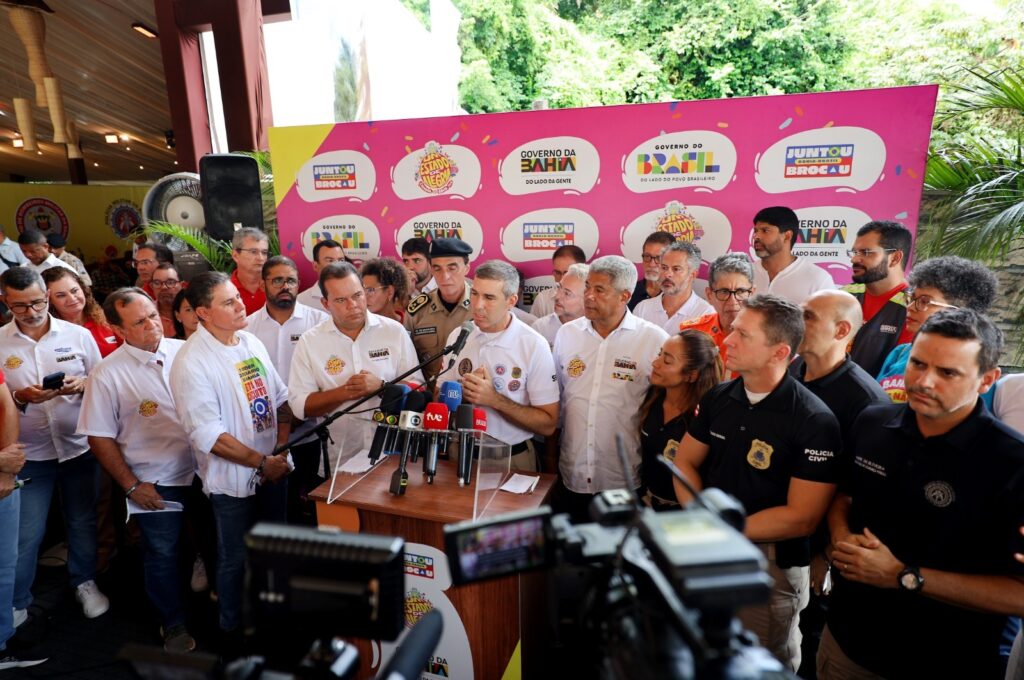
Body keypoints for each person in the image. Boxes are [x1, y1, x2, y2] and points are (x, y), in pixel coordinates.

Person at [821, 309, 1024, 679]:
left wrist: (903, 575)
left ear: (987, 380)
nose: (924, 381)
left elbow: (1018, 594)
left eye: (947, 373)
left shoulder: (1012, 462)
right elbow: (844, 495)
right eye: (918, 364)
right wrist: (840, 536)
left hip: (946, 661)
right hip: (846, 644)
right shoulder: (873, 422)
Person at [672, 294, 842, 672]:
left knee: (760, 664)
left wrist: (723, 529)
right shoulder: (719, 397)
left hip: (770, 563)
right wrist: (698, 516)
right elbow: (684, 462)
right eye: (732, 330)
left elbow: (802, 517)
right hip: (709, 546)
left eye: (743, 335)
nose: (728, 340)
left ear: (779, 352)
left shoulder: (814, 420)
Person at [169, 271, 292, 652]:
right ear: (203, 313)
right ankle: (231, 632)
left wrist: (281, 448)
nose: (241, 305)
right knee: (234, 558)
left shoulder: (250, 341)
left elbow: (280, 399)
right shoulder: (191, 362)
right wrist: (262, 462)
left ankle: (274, 621)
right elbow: (209, 435)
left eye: (237, 296)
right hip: (232, 480)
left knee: (275, 548)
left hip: (273, 468)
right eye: (228, 302)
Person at [77, 289, 196, 653]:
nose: (152, 325)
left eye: (153, 315)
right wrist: (131, 486)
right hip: (154, 479)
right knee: (162, 553)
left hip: (207, 470)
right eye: (140, 322)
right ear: (118, 329)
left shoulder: (186, 351)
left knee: (206, 546)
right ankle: (172, 623)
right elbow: (99, 437)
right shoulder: (106, 374)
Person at [0, 267, 107, 623]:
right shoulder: (1, 342)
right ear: (5, 302)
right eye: (20, 306)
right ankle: (17, 602)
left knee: (82, 520)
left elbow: (103, 382)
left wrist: (83, 384)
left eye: (37, 302)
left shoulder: (78, 335)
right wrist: (20, 396)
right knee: (26, 533)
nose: (31, 312)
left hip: (78, 447)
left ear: (46, 296)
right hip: (29, 454)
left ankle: (84, 581)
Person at [553, 255, 669, 519]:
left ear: (624, 296)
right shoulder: (567, 334)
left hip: (623, 477)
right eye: (587, 287)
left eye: (599, 290)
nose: (589, 296)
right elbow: (557, 401)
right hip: (572, 472)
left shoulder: (653, 339)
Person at [289, 262, 422, 470]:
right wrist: (346, 392)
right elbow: (300, 406)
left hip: (395, 454)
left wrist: (382, 387)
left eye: (358, 295)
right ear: (325, 303)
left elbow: (418, 388)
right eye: (341, 300)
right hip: (340, 461)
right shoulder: (310, 342)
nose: (352, 305)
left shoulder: (393, 332)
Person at [448, 261, 559, 472]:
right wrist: (462, 393)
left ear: (511, 301)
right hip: (458, 454)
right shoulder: (459, 335)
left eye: (489, 297)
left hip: (510, 458)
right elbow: (440, 398)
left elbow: (548, 424)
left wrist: (494, 399)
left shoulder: (533, 344)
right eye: (474, 294)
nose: (478, 305)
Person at [245, 256, 328, 523]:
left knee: (310, 512)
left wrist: (300, 413)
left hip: (309, 433)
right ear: (263, 284)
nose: (285, 286)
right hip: (262, 440)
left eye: (291, 280)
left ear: (299, 284)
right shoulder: (247, 329)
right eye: (277, 280)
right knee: (275, 515)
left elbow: (329, 375)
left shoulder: (320, 322)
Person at [876, 255, 998, 403]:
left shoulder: (976, 371)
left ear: (958, 312)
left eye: (924, 301)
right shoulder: (900, 353)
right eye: (911, 298)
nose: (910, 307)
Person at [639, 329, 722, 511]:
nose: (655, 363)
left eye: (667, 361)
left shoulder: (705, 418)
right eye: (660, 354)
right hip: (647, 504)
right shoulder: (653, 397)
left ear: (691, 375)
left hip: (685, 513)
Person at [792, 290, 889, 436]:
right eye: (798, 314)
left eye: (808, 316)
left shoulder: (867, 402)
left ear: (841, 330)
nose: (794, 323)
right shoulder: (788, 369)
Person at [0, 369, 46, 670]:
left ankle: (1, 644)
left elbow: (6, 405)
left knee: (5, 565)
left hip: (3, 479)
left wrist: (6, 470)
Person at [843, 220, 914, 377]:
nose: (854, 259)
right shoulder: (843, 295)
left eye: (866, 252)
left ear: (895, 258)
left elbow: (900, 373)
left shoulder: (915, 307)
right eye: (854, 252)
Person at [403, 238, 474, 386]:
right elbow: (406, 362)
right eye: (437, 268)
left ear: (467, 268)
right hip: (428, 396)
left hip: (472, 396)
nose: (445, 276)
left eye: (452, 268)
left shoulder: (480, 306)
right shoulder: (417, 311)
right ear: (431, 269)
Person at [680, 252, 756, 366]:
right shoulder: (692, 332)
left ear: (752, 294)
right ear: (709, 295)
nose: (732, 301)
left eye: (740, 291)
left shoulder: (766, 339)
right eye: (724, 292)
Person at [750, 206, 834, 305]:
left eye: (765, 231)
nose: (756, 236)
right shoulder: (744, 274)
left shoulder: (818, 279)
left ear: (787, 236)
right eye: (756, 231)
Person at [633, 241, 714, 333]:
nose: (667, 274)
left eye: (676, 269)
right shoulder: (642, 308)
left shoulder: (706, 314)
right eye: (664, 267)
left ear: (692, 275)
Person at [42, 267, 122, 357]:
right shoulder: (47, 334)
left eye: (74, 291)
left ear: (83, 289)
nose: (72, 298)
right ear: (49, 300)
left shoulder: (108, 319)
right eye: (61, 295)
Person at [532, 262, 588, 347]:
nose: (557, 296)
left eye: (567, 293)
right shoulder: (540, 328)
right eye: (558, 287)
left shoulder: (600, 330)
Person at [529, 245, 587, 318]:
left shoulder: (592, 299)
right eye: (558, 272)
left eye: (567, 273)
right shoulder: (543, 299)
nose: (562, 279)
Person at [228, 227, 270, 315]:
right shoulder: (225, 289)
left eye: (264, 252)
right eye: (253, 252)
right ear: (235, 255)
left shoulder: (276, 285)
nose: (261, 258)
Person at [296, 239, 349, 309]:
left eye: (341, 260)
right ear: (315, 266)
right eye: (330, 260)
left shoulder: (357, 294)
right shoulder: (300, 302)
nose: (337, 265)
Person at [628, 231, 675, 310]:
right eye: (647, 256)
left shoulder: (678, 295)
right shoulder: (629, 292)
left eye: (659, 258)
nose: (652, 264)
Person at [360, 257, 410, 323]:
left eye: (370, 290)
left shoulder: (409, 324)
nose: (364, 297)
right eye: (362, 291)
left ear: (390, 292)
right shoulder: (358, 325)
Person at [151, 263, 184, 339]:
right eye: (157, 283)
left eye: (170, 282)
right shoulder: (146, 313)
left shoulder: (193, 311)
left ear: (182, 285)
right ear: (152, 287)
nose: (164, 287)